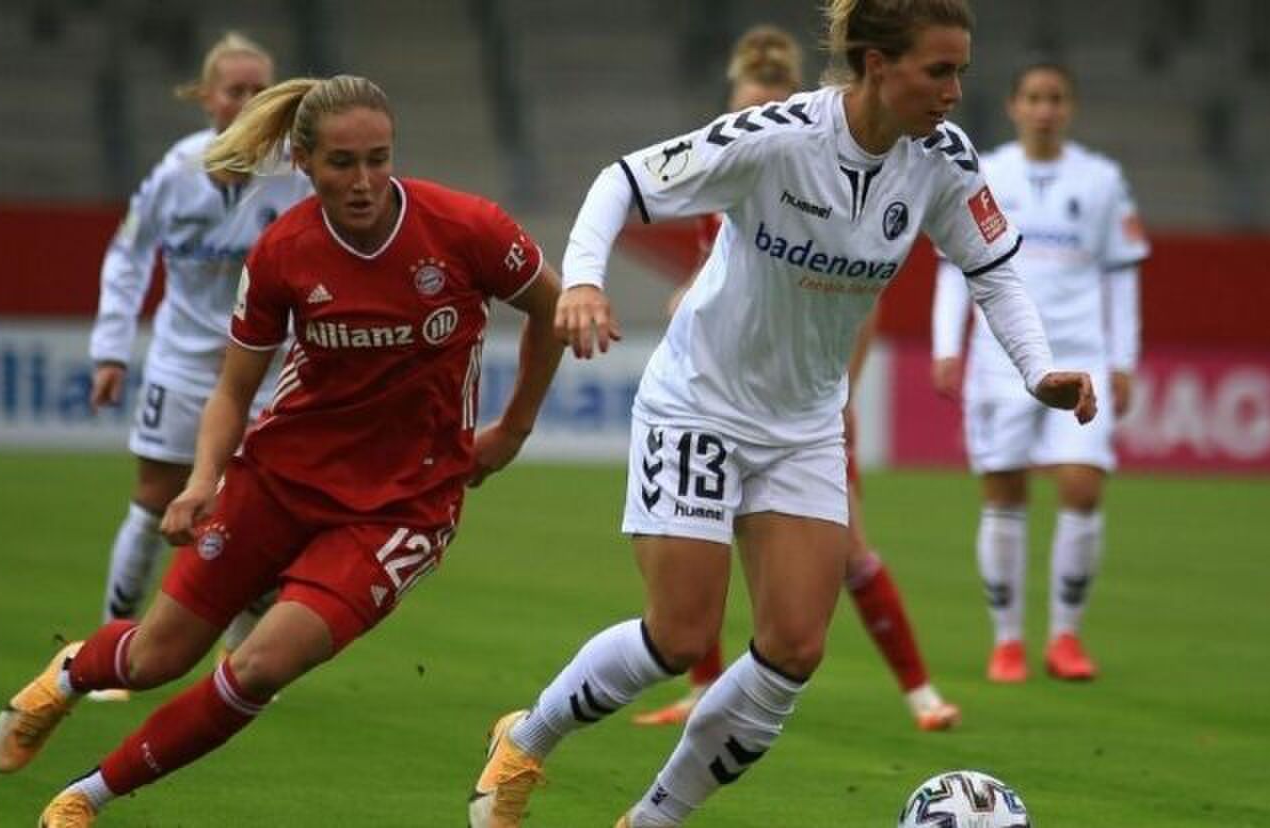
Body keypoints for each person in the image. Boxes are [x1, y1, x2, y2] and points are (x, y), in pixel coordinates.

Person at [468, 1, 1096, 825]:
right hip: (700, 402)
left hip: (804, 423)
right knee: (679, 636)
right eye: (937, 71)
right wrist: (583, 279)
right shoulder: (778, 137)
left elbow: (995, 271)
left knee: (795, 647)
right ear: (876, 64)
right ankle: (525, 741)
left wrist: (1038, 369)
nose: (953, 92)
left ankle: (652, 821)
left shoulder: (944, 159)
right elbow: (620, 183)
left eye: (960, 73)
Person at [0, 73, 565, 828]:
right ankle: (68, 675)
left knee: (258, 665)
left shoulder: (467, 228)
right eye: (341, 164)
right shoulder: (284, 251)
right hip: (280, 481)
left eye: (378, 159)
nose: (363, 182)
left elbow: (553, 310)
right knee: (156, 657)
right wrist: (200, 483)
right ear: (303, 163)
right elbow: (233, 391)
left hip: (402, 507)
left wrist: (513, 430)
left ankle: (83, 799)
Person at [635, 23, 960, 733]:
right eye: (740, 106)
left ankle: (920, 690)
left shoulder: (813, 169)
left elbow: (854, 304)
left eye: (764, 103)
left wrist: (843, 394)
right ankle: (703, 687)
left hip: (807, 405)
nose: (746, 120)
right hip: (729, 395)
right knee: (701, 537)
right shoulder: (723, 184)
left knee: (847, 553)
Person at [85, 33, 311, 703]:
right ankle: (112, 643)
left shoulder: (296, 175)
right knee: (155, 501)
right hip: (181, 366)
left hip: (267, 372)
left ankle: (243, 647)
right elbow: (128, 255)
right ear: (207, 96)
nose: (246, 102)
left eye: (258, 90)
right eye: (234, 89)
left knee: (266, 508)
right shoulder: (175, 172)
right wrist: (109, 348)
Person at [931, 60, 1148, 683]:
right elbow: (955, 266)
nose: (1045, 108)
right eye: (1034, 97)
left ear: (1070, 107)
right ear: (1013, 106)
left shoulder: (1103, 179)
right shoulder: (986, 173)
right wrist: (948, 345)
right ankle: (1006, 642)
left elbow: (1121, 273)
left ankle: (1065, 636)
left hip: (1082, 353)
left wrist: (1124, 360)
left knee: (1082, 487)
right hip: (1000, 359)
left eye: (1056, 97)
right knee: (1004, 493)